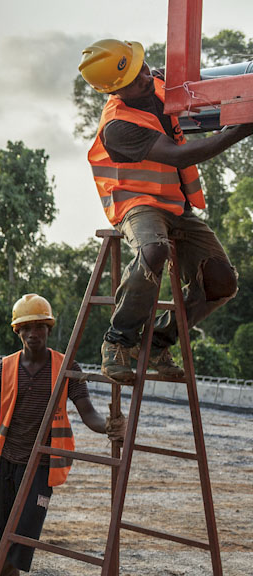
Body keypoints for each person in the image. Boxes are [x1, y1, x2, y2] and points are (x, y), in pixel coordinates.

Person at [79, 39, 251, 382]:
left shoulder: (154, 83)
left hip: (175, 205)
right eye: (133, 78)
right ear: (115, 90)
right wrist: (239, 131)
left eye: (141, 67)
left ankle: (158, 340)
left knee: (222, 283)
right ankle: (118, 341)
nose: (144, 76)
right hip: (135, 203)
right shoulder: (118, 127)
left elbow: (194, 89)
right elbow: (179, 155)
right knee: (153, 250)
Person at [0, 294, 125, 576]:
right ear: (17, 332)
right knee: (0, 538)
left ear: (48, 329)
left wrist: (109, 428)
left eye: (39, 327)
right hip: (4, 463)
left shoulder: (67, 368)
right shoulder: (4, 368)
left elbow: (89, 414)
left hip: (40, 469)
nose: (33, 333)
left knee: (21, 538)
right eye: (26, 328)